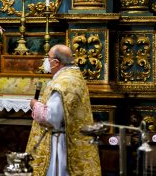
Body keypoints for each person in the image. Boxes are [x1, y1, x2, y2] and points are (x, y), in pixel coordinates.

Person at [25, 44, 101, 176]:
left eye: (48, 58)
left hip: (59, 143)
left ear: (56, 62)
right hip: (71, 138)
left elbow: (51, 118)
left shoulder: (63, 83)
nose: (46, 62)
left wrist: (35, 105)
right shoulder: (74, 77)